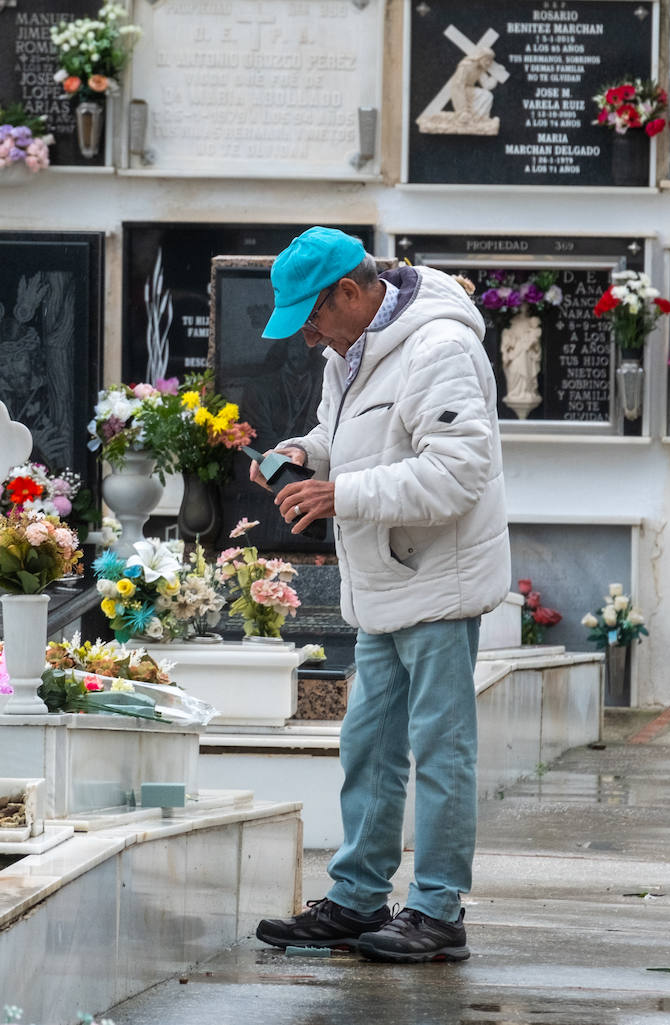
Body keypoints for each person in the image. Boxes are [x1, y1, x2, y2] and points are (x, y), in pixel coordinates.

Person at [250, 227, 510, 963]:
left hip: (438, 581)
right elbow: (363, 438)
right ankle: (359, 897)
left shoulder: (440, 348)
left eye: (312, 315)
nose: (307, 336)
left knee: (440, 747)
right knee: (368, 744)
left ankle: (436, 911)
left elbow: (458, 472)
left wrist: (340, 492)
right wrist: (307, 451)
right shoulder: (349, 348)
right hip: (383, 581)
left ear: (352, 292)